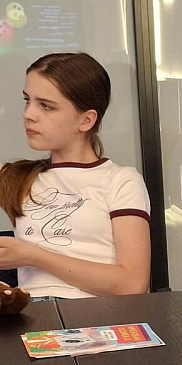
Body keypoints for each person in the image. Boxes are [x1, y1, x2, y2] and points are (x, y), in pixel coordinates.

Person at [0, 52, 151, 299]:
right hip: (32, 316)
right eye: (27, 100)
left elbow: (132, 284)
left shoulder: (121, 181)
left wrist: (31, 255)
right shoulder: (16, 178)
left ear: (86, 120)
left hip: (99, 316)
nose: (28, 114)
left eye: (46, 106)